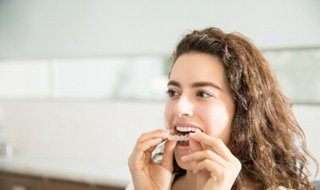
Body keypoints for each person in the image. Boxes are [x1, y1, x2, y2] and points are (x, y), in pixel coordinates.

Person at [127, 27, 318, 190]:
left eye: (202, 93)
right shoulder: (145, 182)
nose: (179, 108)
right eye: (173, 92)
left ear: (244, 110)